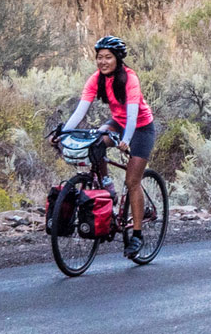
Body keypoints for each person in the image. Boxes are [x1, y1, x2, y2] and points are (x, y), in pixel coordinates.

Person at [51, 35, 157, 258]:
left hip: (140, 128)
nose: (103, 62)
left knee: (132, 181)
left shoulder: (130, 79)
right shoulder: (95, 79)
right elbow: (80, 111)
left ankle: (137, 234)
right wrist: (63, 134)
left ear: (118, 59)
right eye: (99, 58)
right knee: (95, 143)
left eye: (108, 57)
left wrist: (126, 139)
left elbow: (132, 115)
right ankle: (107, 185)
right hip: (118, 122)